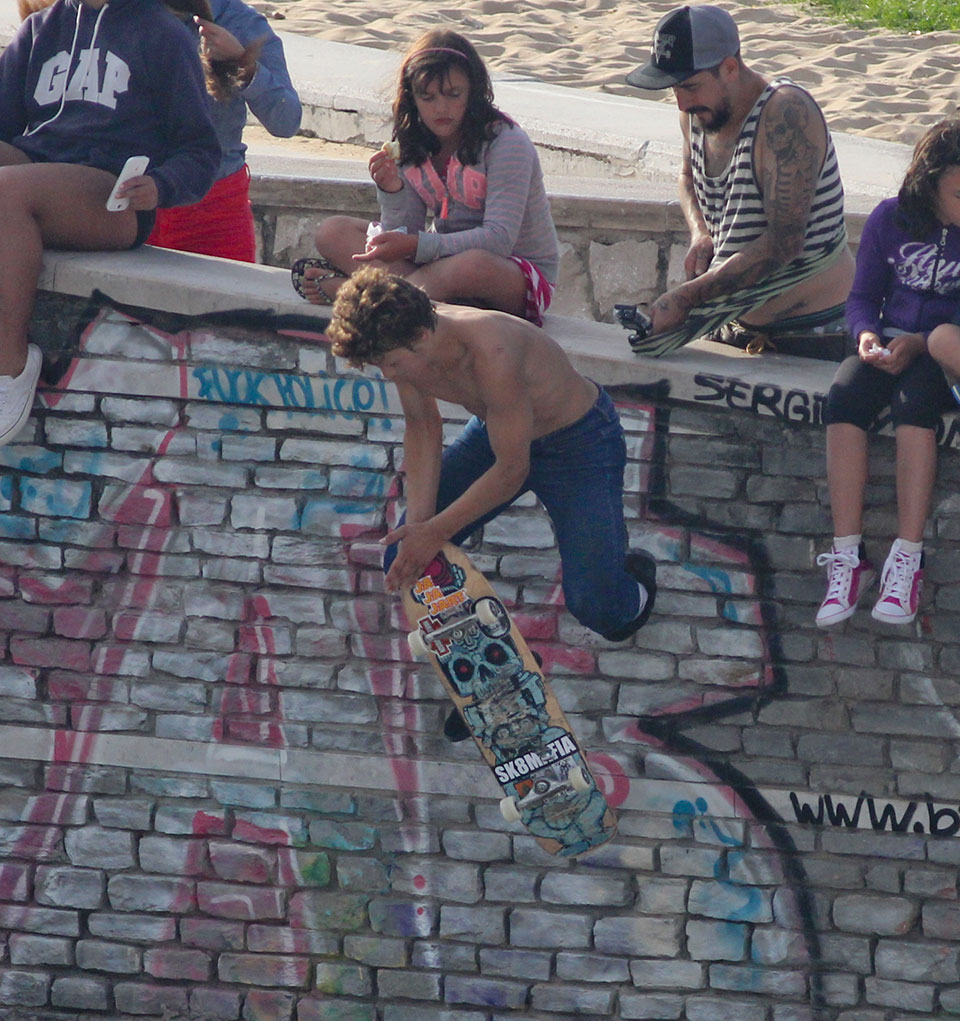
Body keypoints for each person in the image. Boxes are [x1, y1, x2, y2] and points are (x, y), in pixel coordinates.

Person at [328, 267, 656, 735]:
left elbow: (511, 471)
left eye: (392, 364)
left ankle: (634, 582)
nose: (388, 373)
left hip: (579, 444)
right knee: (407, 560)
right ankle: (500, 677)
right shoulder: (404, 340)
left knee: (599, 609)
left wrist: (434, 532)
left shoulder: (492, 349)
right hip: (496, 434)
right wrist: (419, 533)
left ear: (421, 337)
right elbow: (422, 426)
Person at [0, 0, 220, 447]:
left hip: (112, 196)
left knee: (5, 191)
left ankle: (9, 366)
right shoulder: (41, 29)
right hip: (35, 171)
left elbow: (201, 149)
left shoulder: (162, 34)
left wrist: (162, 185)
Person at [622, 4, 853, 359]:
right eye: (674, 89)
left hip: (815, 334)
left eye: (690, 86)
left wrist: (687, 297)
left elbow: (784, 243)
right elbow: (687, 178)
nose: (682, 102)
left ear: (730, 68)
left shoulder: (786, 114)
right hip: (732, 326)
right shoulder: (696, 112)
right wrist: (700, 233)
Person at [294, 29, 559, 326]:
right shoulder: (413, 141)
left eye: (453, 94)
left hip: (509, 274)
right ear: (412, 98)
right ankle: (418, 300)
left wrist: (415, 246)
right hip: (437, 265)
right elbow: (404, 232)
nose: (441, 108)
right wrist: (392, 192)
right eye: (427, 97)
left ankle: (362, 298)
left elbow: (498, 240)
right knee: (333, 232)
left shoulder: (506, 142)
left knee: (468, 266)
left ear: (473, 92)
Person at [815, 120, 960, 628]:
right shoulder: (889, 218)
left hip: (937, 351)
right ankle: (848, 556)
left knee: (913, 407)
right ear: (931, 182)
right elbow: (861, 297)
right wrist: (866, 336)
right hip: (887, 340)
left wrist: (920, 342)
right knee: (844, 399)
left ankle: (908, 558)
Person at [149, 0, 301, 262]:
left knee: (229, 288)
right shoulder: (127, 13)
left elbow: (287, 121)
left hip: (215, 206)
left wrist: (243, 65)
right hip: (135, 198)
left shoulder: (241, 22)